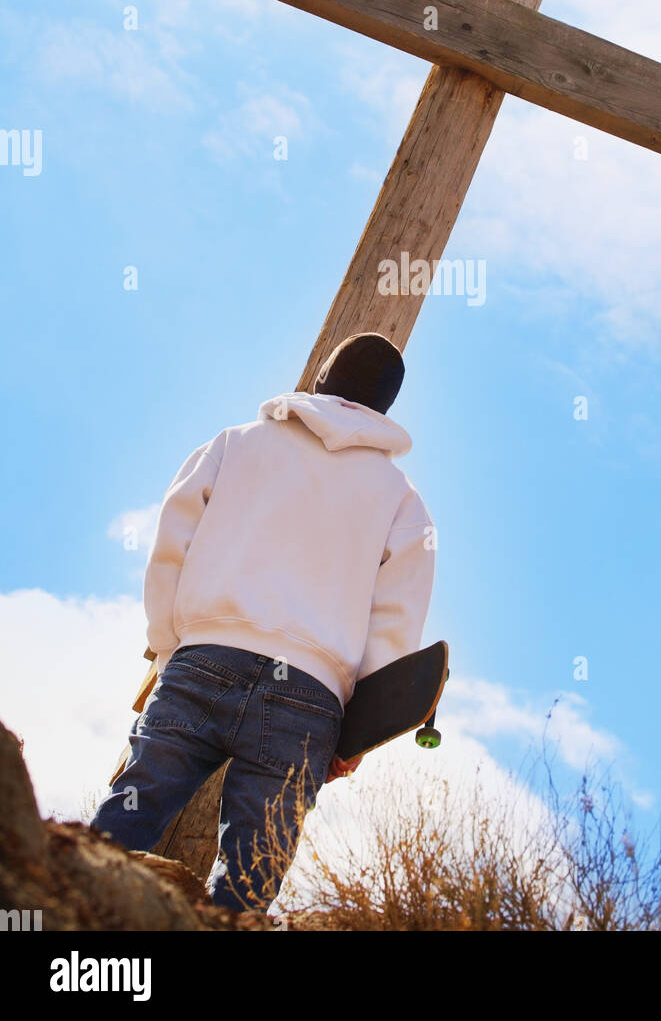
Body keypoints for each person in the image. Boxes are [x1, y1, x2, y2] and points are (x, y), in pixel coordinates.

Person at [91, 333, 435, 912]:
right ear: (385, 409)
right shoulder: (404, 503)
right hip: (308, 703)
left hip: (203, 662)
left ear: (320, 380)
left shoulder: (235, 444)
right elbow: (396, 627)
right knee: (247, 886)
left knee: (124, 821)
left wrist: (169, 647)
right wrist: (355, 738)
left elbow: (170, 546)